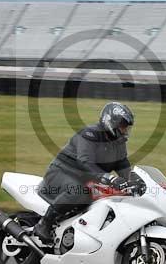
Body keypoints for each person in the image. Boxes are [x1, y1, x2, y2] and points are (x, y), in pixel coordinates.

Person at [32, 101, 134, 243]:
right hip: (61, 172)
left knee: (109, 197)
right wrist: (108, 178)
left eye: (126, 128)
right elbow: (85, 162)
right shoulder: (90, 134)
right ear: (112, 122)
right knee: (79, 191)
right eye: (123, 127)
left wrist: (134, 180)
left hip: (86, 179)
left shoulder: (119, 143)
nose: (125, 131)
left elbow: (123, 164)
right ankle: (45, 223)